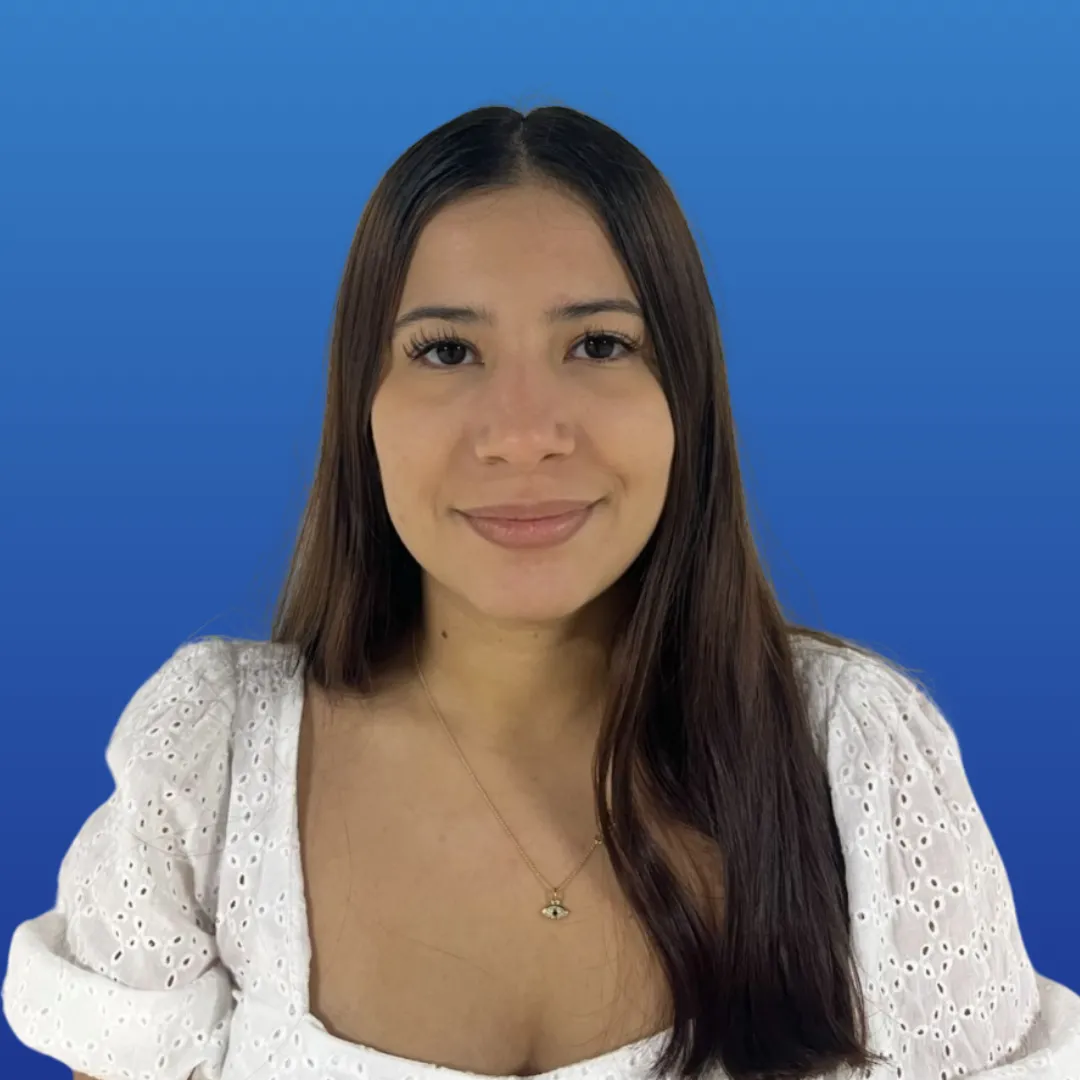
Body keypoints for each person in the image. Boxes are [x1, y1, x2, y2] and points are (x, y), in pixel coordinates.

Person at [4, 104, 1079, 1080]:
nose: (522, 435)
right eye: (446, 351)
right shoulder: (209, 763)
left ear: (686, 397)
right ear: (362, 403)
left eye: (599, 344)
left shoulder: (858, 762)